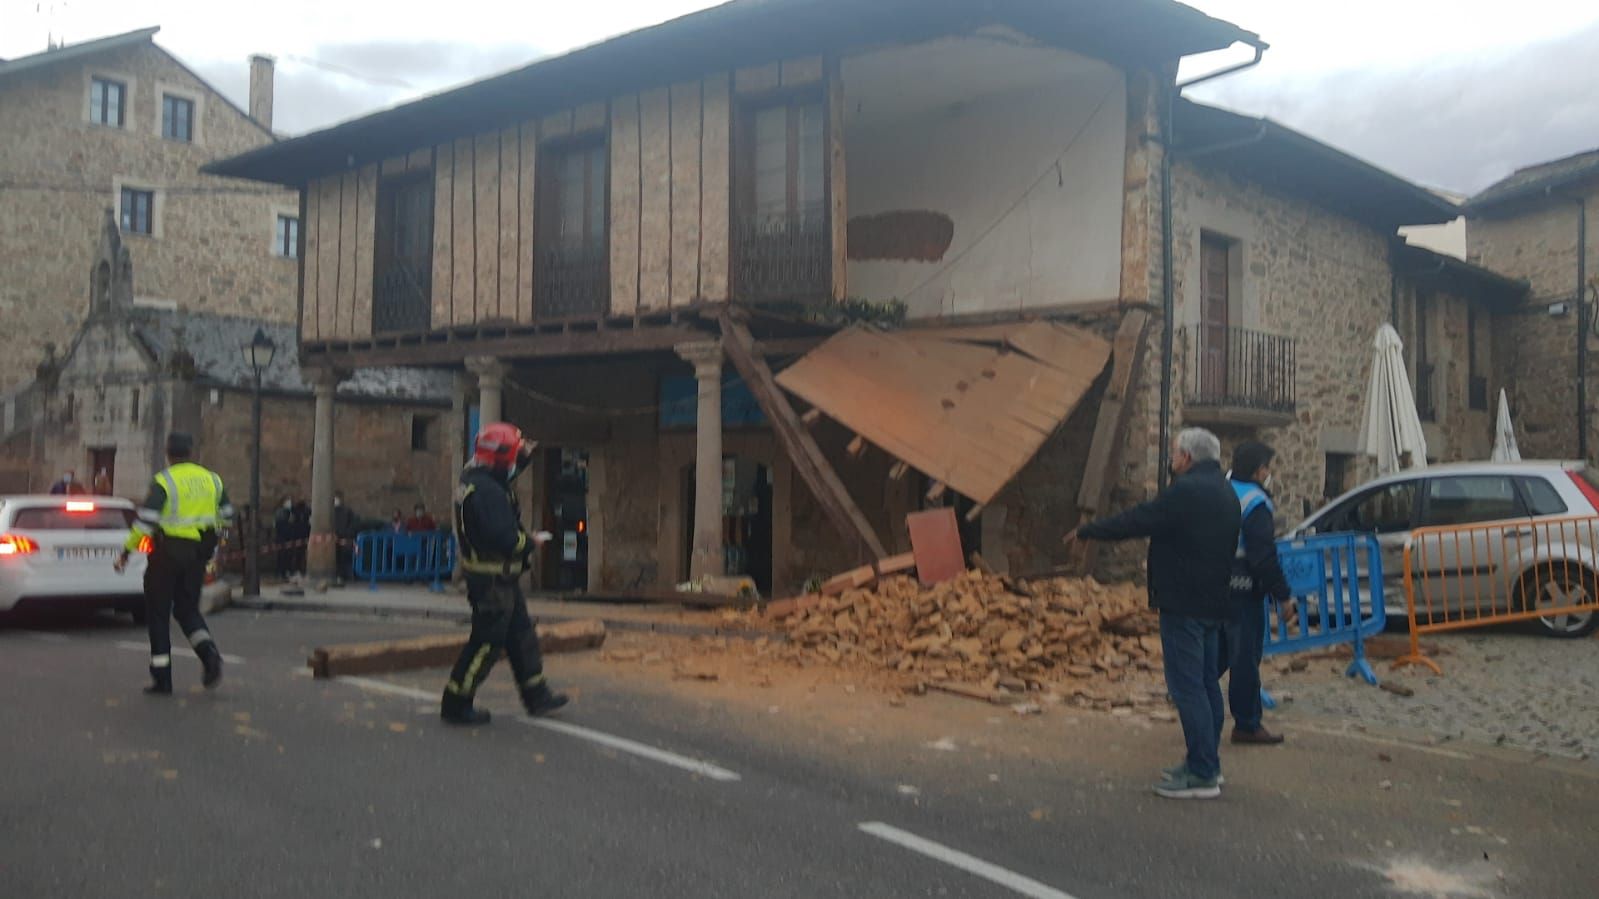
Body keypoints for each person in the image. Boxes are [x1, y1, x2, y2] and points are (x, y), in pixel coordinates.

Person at [1064, 428, 1240, 799]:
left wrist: (1088, 530)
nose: (1172, 460)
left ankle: (1202, 774)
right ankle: (1206, 762)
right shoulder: (1226, 492)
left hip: (1184, 604)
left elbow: (1138, 520)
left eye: (1174, 454)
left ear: (1187, 458)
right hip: (1214, 603)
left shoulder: (1186, 492)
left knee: (1187, 687)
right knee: (1207, 685)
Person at [441, 422, 568, 725]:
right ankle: (456, 702)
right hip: (491, 583)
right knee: (486, 643)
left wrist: (524, 451)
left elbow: (504, 470)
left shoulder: (481, 477)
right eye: (514, 453)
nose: (516, 462)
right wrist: (531, 542)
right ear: (500, 459)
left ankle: (536, 695)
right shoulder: (486, 492)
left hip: (501, 580)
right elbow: (505, 538)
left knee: (521, 635)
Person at [114, 432, 231, 695]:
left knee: (158, 614)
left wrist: (125, 552)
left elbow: (145, 523)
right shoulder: (212, 480)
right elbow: (227, 517)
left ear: (168, 454)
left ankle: (162, 678)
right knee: (188, 610)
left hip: (166, 554)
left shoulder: (164, 481)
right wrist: (214, 547)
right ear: (191, 451)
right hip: (197, 555)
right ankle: (210, 656)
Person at [1221, 441, 1294, 746]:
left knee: (1216, 653)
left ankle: (1192, 700)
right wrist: (1283, 595)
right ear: (1258, 470)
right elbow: (1262, 556)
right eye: (1266, 467)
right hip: (1243, 590)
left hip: (1212, 585)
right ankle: (1248, 724)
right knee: (1245, 659)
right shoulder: (1255, 502)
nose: (1268, 473)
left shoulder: (1221, 489)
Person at [332, 491, 358, 585]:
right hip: (336, 539)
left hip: (344, 540)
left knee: (344, 559)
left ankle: (345, 576)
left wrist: (346, 535)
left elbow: (352, 525)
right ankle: (340, 575)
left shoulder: (347, 511)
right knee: (338, 559)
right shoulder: (331, 511)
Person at [274, 496, 299, 581]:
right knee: (282, 556)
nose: (289, 503)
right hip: (283, 538)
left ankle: (285, 572)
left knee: (287, 556)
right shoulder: (281, 512)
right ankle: (282, 572)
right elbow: (282, 525)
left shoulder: (289, 512)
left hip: (287, 538)